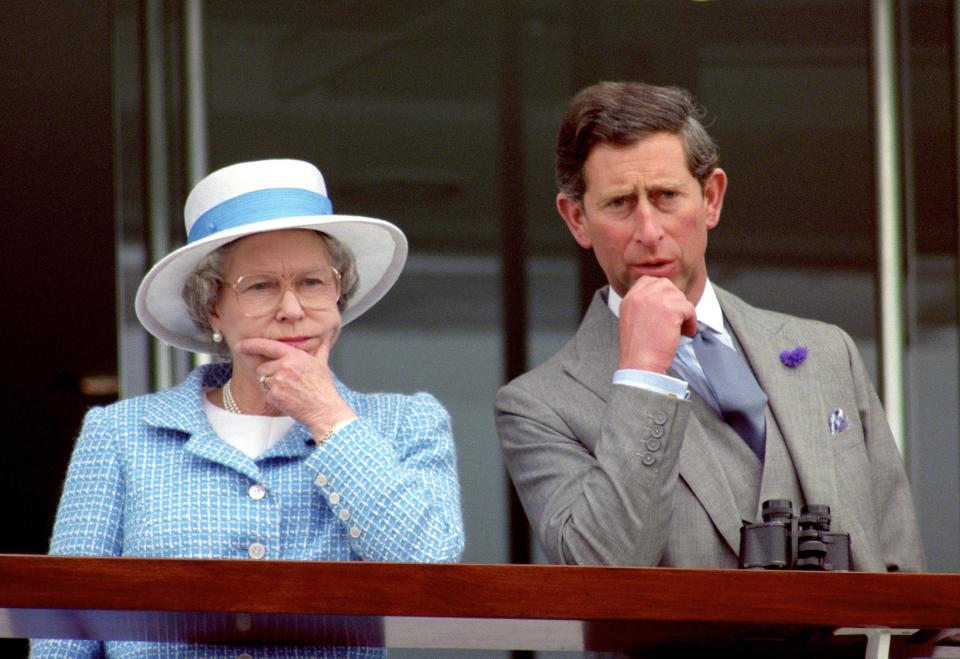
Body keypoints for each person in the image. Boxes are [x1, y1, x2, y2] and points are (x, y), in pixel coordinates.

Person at [32, 159, 464, 658]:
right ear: (212, 307)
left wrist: (327, 418)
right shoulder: (121, 433)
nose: (292, 308)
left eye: (312, 282)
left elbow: (432, 575)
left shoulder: (406, 425)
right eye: (260, 286)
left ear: (338, 291)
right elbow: (64, 626)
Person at [495, 81, 924, 571]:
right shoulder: (538, 407)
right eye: (619, 204)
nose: (649, 230)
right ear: (577, 220)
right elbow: (602, 573)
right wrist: (641, 376)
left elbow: (900, 569)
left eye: (666, 196)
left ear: (712, 199)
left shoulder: (828, 353)